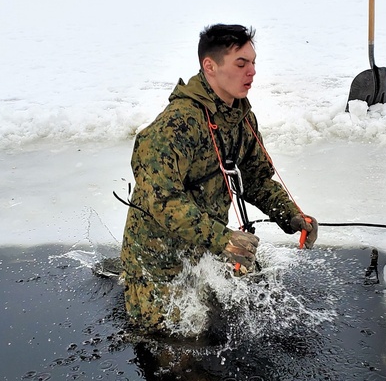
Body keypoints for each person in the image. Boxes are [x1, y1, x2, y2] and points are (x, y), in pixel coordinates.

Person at [119, 24, 318, 335]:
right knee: (170, 347)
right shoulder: (176, 125)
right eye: (241, 64)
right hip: (158, 261)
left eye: (253, 63)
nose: (251, 72)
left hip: (206, 249)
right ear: (209, 66)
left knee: (225, 322)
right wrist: (221, 238)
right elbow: (162, 199)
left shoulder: (240, 117)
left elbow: (255, 177)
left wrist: (289, 213)